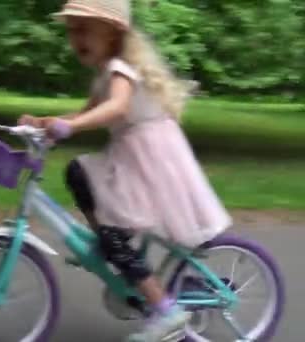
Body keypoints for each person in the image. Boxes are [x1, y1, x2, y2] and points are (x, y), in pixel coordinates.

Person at [18, 0, 233, 341]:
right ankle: (111, 244)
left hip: (151, 159)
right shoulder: (105, 73)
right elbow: (83, 113)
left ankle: (167, 311)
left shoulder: (121, 68)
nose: (77, 38)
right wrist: (45, 123)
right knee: (77, 171)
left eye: (85, 29)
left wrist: (69, 129)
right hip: (132, 155)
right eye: (72, 30)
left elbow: (116, 107)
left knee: (114, 228)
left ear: (113, 33)